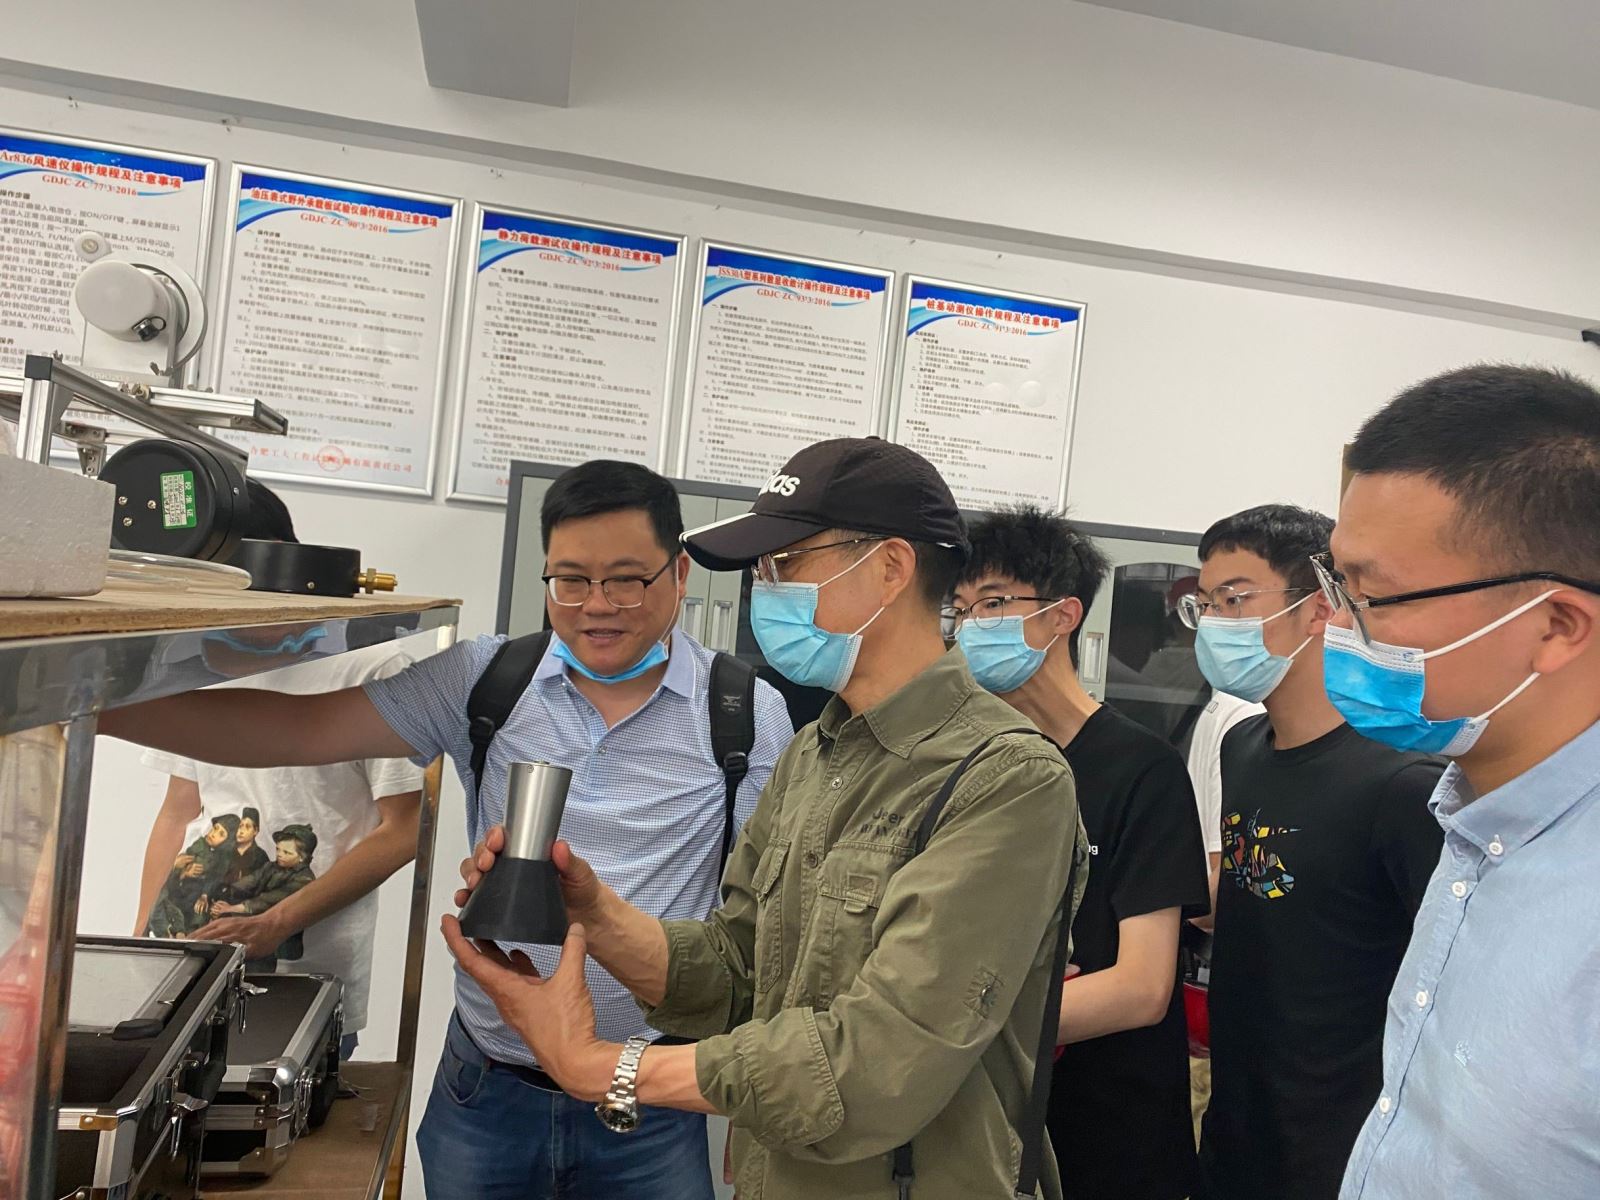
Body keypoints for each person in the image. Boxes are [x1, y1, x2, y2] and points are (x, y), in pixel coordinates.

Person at [109, 460, 795, 1200]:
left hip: (645, 1095)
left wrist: (753, 1101)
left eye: (627, 580)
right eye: (570, 580)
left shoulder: (744, 713)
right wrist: (91, 699)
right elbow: (293, 730)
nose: (597, 606)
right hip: (488, 1090)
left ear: (680, 573)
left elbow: (769, 924)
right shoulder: (484, 679)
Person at [445, 437, 1084, 1200]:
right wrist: (594, 914)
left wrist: (603, 1067)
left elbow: (878, 1062)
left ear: (889, 568)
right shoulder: (817, 752)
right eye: (760, 570)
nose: (764, 589)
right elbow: (739, 971)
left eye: (786, 563)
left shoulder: (1005, 780)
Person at [1324, 366, 1600, 1199]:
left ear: (1555, 626)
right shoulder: (1475, 816)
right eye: (1336, 584)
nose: (1335, 625)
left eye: (1372, 597)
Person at [1185, 504, 1445, 1200]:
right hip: (1236, 1122)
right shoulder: (1242, 747)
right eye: (1204, 605)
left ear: (1318, 609)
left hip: (1337, 1142)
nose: (1214, 624)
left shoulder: (1401, 782)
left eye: (1235, 599)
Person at [949, 505, 1208, 1200]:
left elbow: (1142, 988)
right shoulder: (976, 759)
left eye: (994, 603)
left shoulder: (1142, 769)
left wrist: (952, 1021)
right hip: (987, 1117)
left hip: (1110, 1123)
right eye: (961, 609)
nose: (971, 626)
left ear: (1063, 616)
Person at [133, 479, 426, 1058]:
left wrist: (275, 923)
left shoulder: (372, 666)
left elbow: (406, 828)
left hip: (307, 981)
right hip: (187, 970)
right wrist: (144, 947)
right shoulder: (198, 659)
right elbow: (179, 812)